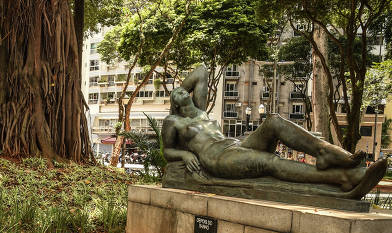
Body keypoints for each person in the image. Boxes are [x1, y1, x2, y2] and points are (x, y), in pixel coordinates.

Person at [161, 66, 388, 197]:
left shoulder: (201, 111)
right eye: (175, 94)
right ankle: (342, 177)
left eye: (182, 89)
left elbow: (201, 70)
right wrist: (185, 154)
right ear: (176, 104)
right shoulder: (174, 121)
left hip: (234, 146)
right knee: (270, 162)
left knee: (274, 121)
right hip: (217, 158)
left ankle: (325, 153)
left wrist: (183, 86)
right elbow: (168, 150)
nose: (179, 91)